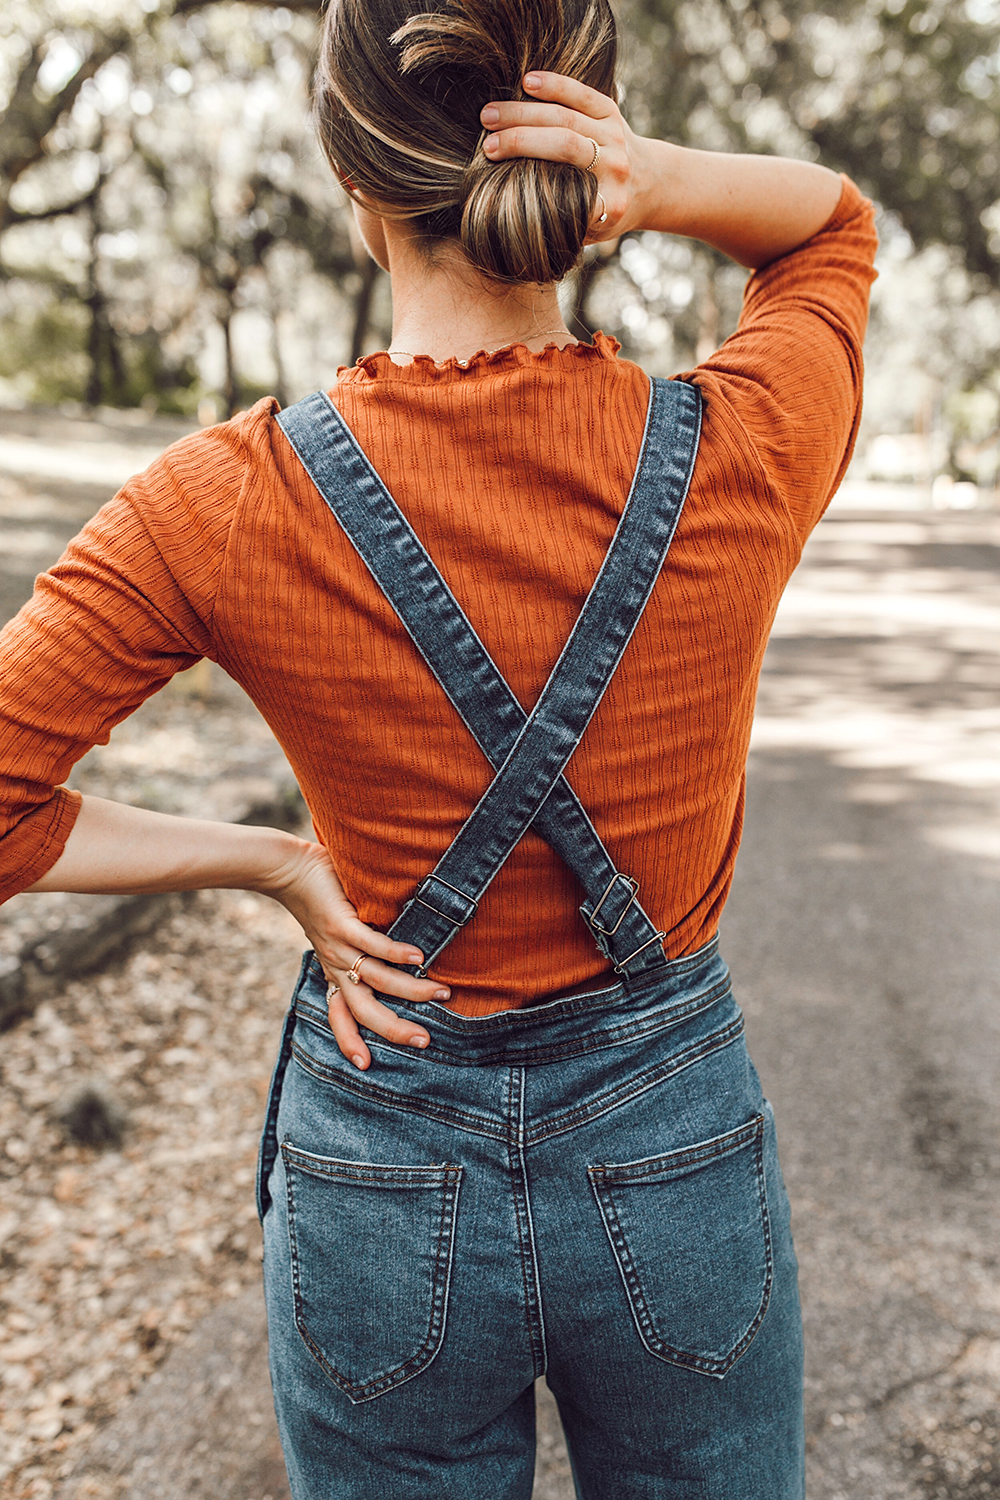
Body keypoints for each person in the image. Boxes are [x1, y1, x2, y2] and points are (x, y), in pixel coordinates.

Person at [0, 0, 877, 1494]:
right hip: (675, 1152)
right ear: (583, 159)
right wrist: (654, 181)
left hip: (379, 1162)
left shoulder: (219, 504)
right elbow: (835, 233)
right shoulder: (743, 443)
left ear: (353, 188)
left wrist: (278, 865)